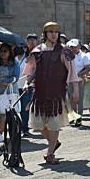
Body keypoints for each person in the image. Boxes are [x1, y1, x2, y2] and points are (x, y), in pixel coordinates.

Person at [25, 22, 79, 164]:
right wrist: (27, 83)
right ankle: (53, 143)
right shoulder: (37, 51)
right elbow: (33, 71)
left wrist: (76, 91)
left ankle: (50, 153)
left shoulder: (65, 51)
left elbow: (73, 72)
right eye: (50, 31)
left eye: (56, 31)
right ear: (45, 34)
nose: (54, 34)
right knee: (39, 125)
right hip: (40, 93)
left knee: (54, 124)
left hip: (57, 94)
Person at [0, 43, 21, 143]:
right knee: (2, 112)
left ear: (9, 52)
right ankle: (1, 133)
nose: (2, 53)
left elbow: (16, 77)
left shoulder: (14, 63)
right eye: (0, 51)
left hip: (11, 91)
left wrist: (7, 82)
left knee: (12, 113)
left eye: (5, 51)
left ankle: (13, 132)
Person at [66, 39, 90, 117]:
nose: (73, 49)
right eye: (71, 47)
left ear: (79, 46)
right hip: (69, 80)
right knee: (70, 99)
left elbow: (87, 68)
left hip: (80, 80)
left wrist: (78, 74)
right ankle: (73, 116)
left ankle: (79, 116)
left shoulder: (84, 56)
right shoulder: (68, 56)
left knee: (79, 99)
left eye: (74, 47)